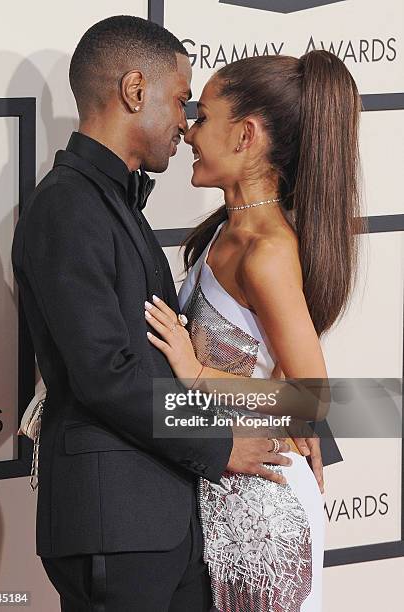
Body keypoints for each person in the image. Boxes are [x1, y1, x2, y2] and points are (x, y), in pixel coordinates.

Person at [11, 16, 302, 612]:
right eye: (178, 100)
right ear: (134, 90)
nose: (183, 123)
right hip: (115, 526)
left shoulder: (113, 201)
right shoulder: (68, 206)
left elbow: (307, 391)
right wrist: (220, 445)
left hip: (157, 521)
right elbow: (106, 374)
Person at [144, 50, 363, 611]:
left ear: (245, 135)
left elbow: (310, 399)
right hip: (220, 501)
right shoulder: (226, 231)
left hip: (263, 521)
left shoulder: (266, 251)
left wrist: (195, 373)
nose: (189, 132)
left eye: (205, 117)